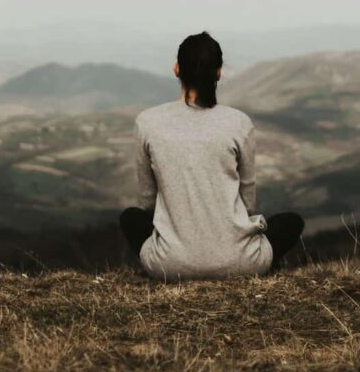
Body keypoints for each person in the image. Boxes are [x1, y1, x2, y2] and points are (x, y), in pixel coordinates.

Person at [119, 30, 304, 280]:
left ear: (176, 69)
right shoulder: (239, 122)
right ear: (219, 73)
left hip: (169, 266)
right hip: (241, 263)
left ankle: (176, 257)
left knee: (131, 218)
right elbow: (247, 202)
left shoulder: (147, 122)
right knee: (290, 222)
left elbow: (148, 203)